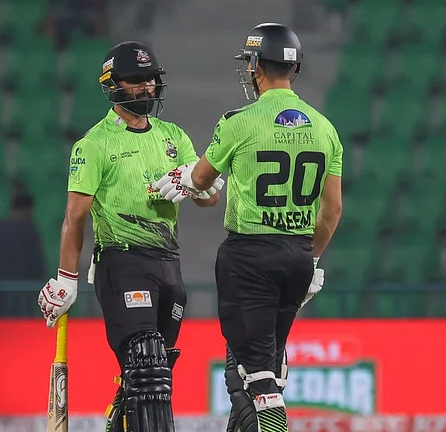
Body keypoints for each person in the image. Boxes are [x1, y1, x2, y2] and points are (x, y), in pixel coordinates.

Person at [152, 23, 343, 432]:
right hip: (298, 255)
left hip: (250, 257)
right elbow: (333, 212)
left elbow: (201, 181)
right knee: (256, 364)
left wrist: (186, 174)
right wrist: (311, 258)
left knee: (252, 375)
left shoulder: (238, 121)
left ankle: (272, 414)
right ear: (294, 69)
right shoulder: (326, 129)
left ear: (256, 65)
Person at [36, 41, 224, 432]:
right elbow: (75, 216)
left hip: (168, 264)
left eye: (150, 81)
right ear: (113, 85)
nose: (146, 89)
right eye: (135, 81)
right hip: (122, 262)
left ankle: (118, 420)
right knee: (146, 360)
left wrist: (198, 188)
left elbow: (209, 199)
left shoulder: (174, 136)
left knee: (154, 374)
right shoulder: (94, 144)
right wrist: (66, 278)